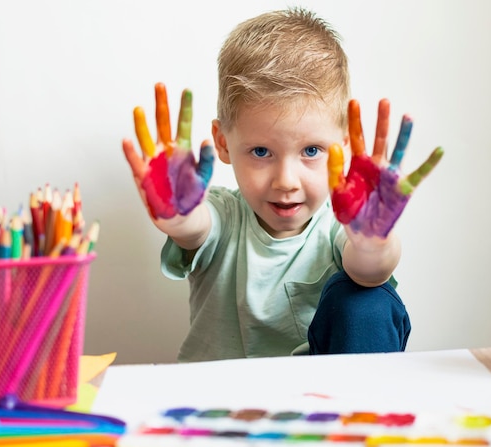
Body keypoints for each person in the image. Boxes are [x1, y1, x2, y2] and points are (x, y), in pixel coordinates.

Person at [122, 7, 442, 362]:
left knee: (368, 301)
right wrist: (178, 217)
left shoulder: (340, 224)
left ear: (345, 146)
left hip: (318, 403)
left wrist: (372, 242)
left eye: (311, 150)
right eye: (261, 151)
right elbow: (196, 227)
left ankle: (363, 408)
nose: (286, 181)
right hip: (219, 406)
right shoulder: (225, 215)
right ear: (224, 143)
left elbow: (370, 271)